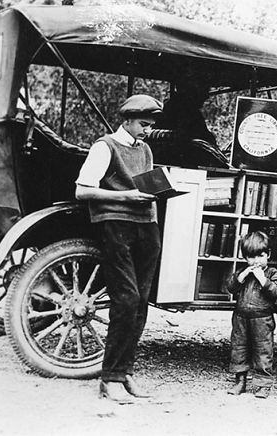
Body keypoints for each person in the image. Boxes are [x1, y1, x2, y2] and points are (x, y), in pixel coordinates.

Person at [74, 93, 164, 403]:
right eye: (143, 124)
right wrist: (126, 197)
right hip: (116, 225)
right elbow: (83, 190)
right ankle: (108, 378)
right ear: (126, 120)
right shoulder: (105, 146)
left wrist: (160, 191)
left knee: (140, 304)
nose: (146, 130)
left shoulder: (146, 149)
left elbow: (148, 188)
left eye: (150, 125)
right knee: (126, 300)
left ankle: (124, 373)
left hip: (146, 227)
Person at [227, 231, 277, 399]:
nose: (256, 261)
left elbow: (276, 291)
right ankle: (240, 381)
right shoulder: (243, 273)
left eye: (261, 255)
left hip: (262, 320)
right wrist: (241, 277)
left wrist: (263, 280)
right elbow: (230, 288)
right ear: (245, 258)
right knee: (239, 349)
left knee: (263, 351)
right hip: (241, 318)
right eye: (251, 257)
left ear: (268, 254)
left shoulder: (272, 273)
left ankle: (263, 384)